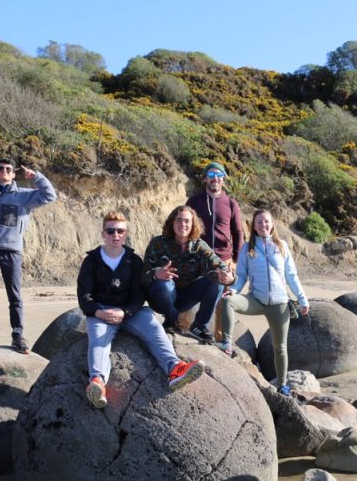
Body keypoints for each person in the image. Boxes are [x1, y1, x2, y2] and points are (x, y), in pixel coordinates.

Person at [77, 211, 205, 408]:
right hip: (102, 313)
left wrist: (125, 313)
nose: (115, 235)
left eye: (120, 231)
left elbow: (139, 295)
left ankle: (175, 369)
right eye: (110, 231)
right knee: (98, 338)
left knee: (153, 326)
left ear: (126, 234)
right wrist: (98, 312)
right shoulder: (91, 261)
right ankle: (98, 382)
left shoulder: (133, 260)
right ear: (103, 234)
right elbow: (84, 296)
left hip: (130, 312)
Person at [0, 157, 57, 354]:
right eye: (0, 169)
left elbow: (50, 195)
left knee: (15, 296)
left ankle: (17, 336)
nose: (4, 171)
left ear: (13, 174)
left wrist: (36, 177)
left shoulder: (24, 196)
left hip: (12, 251)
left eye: (8, 169)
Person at [218, 209, 308, 395]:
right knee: (228, 301)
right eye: (259, 222)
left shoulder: (281, 246)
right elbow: (241, 275)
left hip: (279, 304)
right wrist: (234, 290)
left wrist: (302, 298)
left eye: (266, 222)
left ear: (272, 224)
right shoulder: (247, 248)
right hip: (256, 300)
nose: (263, 225)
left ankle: (282, 385)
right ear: (254, 226)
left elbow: (291, 275)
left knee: (280, 347)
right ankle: (226, 344)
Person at [142, 205, 235, 342]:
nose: (182, 224)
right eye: (178, 220)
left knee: (217, 280)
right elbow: (143, 276)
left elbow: (219, 265)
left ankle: (200, 326)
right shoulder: (158, 243)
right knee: (165, 283)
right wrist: (157, 273)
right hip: (160, 297)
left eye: (187, 221)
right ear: (172, 222)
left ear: (193, 224)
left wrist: (230, 278)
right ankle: (170, 321)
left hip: (184, 298)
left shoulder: (199, 246)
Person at [183, 161, 244, 339]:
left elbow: (238, 233)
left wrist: (235, 260)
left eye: (218, 175)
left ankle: (220, 340)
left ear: (223, 179)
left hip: (224, 260)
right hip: (198, 258)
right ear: (205, 179)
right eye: (211, 175)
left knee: (222, 303)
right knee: (189, 296)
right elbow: (185, 227)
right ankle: (181, 331)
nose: (215, 178)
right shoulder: (194, 201)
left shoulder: (231, 203)